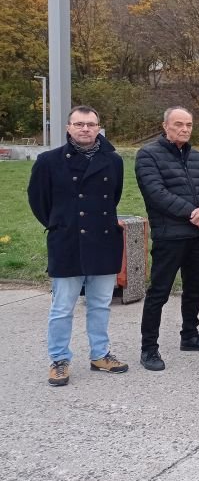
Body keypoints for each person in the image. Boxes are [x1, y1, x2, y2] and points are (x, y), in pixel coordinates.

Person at [28, 105, 129, 386]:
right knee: (62, 307)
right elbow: (38, 200)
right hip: (68, 241)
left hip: (103, 240)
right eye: (79, 124)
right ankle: (59, 359)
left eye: (91, 124)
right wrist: (60, 224)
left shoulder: (113, 161)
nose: (85, 129)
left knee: (100, 305)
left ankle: (100, 355)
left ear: (99, 128)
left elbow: (114, 196)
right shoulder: (48, 161)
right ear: (68, 127)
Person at [136, 106, 199, 371]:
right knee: (159, 293)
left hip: (198, 234)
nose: (184, 129)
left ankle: (190, 336)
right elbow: (155, 193)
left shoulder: (196, 156)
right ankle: (149, 348)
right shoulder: (148, 155)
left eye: (189, 125)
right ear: (165, 126)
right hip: (170, 236)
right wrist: (191, 213)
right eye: (178, 124)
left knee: (196, 288)